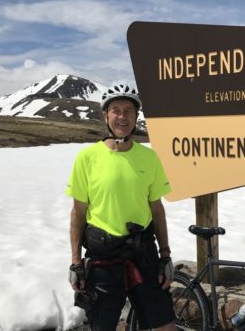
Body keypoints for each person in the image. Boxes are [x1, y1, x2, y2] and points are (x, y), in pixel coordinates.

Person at [66, 84, 176, 331]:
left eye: (128, 110)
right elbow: (78, 212)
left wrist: (166, 254)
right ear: (105, 116)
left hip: (144, 254)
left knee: (165, 326)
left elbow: (156, 208)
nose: (122, 116)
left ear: (137, 116)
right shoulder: (87, 158)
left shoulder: (149, 158)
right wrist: (75, 262)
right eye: (115, 110)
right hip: (103, 259)